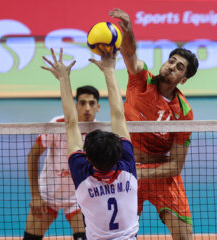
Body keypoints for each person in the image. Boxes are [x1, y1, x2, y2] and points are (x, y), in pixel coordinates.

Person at [110, 8, 199, 240]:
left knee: (184, 235)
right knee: (119, 234)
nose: (172, 66)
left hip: (159, 172)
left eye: (179, 67)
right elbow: (129, 53)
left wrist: (140, 175)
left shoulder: (183, 112)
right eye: (172, 61)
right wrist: (128, 32)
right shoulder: (141, 81)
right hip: (126, 167)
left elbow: (176, 166)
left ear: (184, 79)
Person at [41, 47, 139, 240]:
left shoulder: (81, 174)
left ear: (88, 157)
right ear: (119, 152)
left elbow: (70, 123)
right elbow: (119, 116)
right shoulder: (128, 167)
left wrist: (63, 78)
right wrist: (110, 70)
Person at [23, 85, 100, 240]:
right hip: (47, 195)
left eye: (91, 103)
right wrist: (36, 195)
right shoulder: (58, 124)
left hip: (78, 199)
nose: (87, 108)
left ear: (98, 107)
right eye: (82, 102)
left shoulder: (98, 132)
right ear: (75, 105)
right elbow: (33, 156)